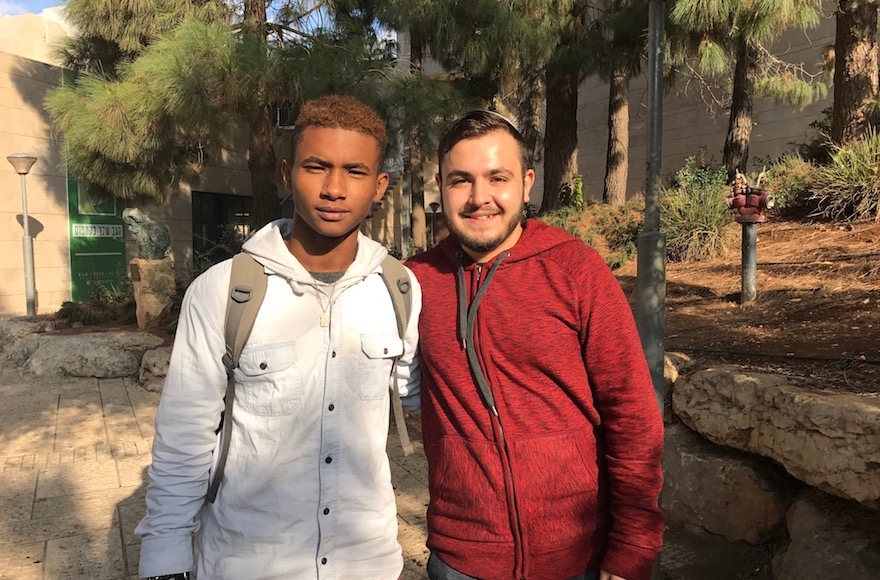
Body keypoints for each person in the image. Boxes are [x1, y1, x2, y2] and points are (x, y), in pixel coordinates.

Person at [135, 94, 421, 580]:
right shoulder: (225, 290)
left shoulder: (398, 289)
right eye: (316, 167)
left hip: (367, 563)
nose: (334, 188)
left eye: (355, 171)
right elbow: (185, 436)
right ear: (287, 172)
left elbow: (419, 399)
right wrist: (164, 557)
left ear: (379, 186)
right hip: (249, 562)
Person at [406, 111, 663, 580]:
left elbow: (633, 415)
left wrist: (633, 547)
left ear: (526, 183)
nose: (479, 198)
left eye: (496, 178)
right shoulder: (414, 283)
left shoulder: (576, 271)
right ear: (439, 186)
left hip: (578, 559)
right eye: (460, 180)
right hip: (461, 560)